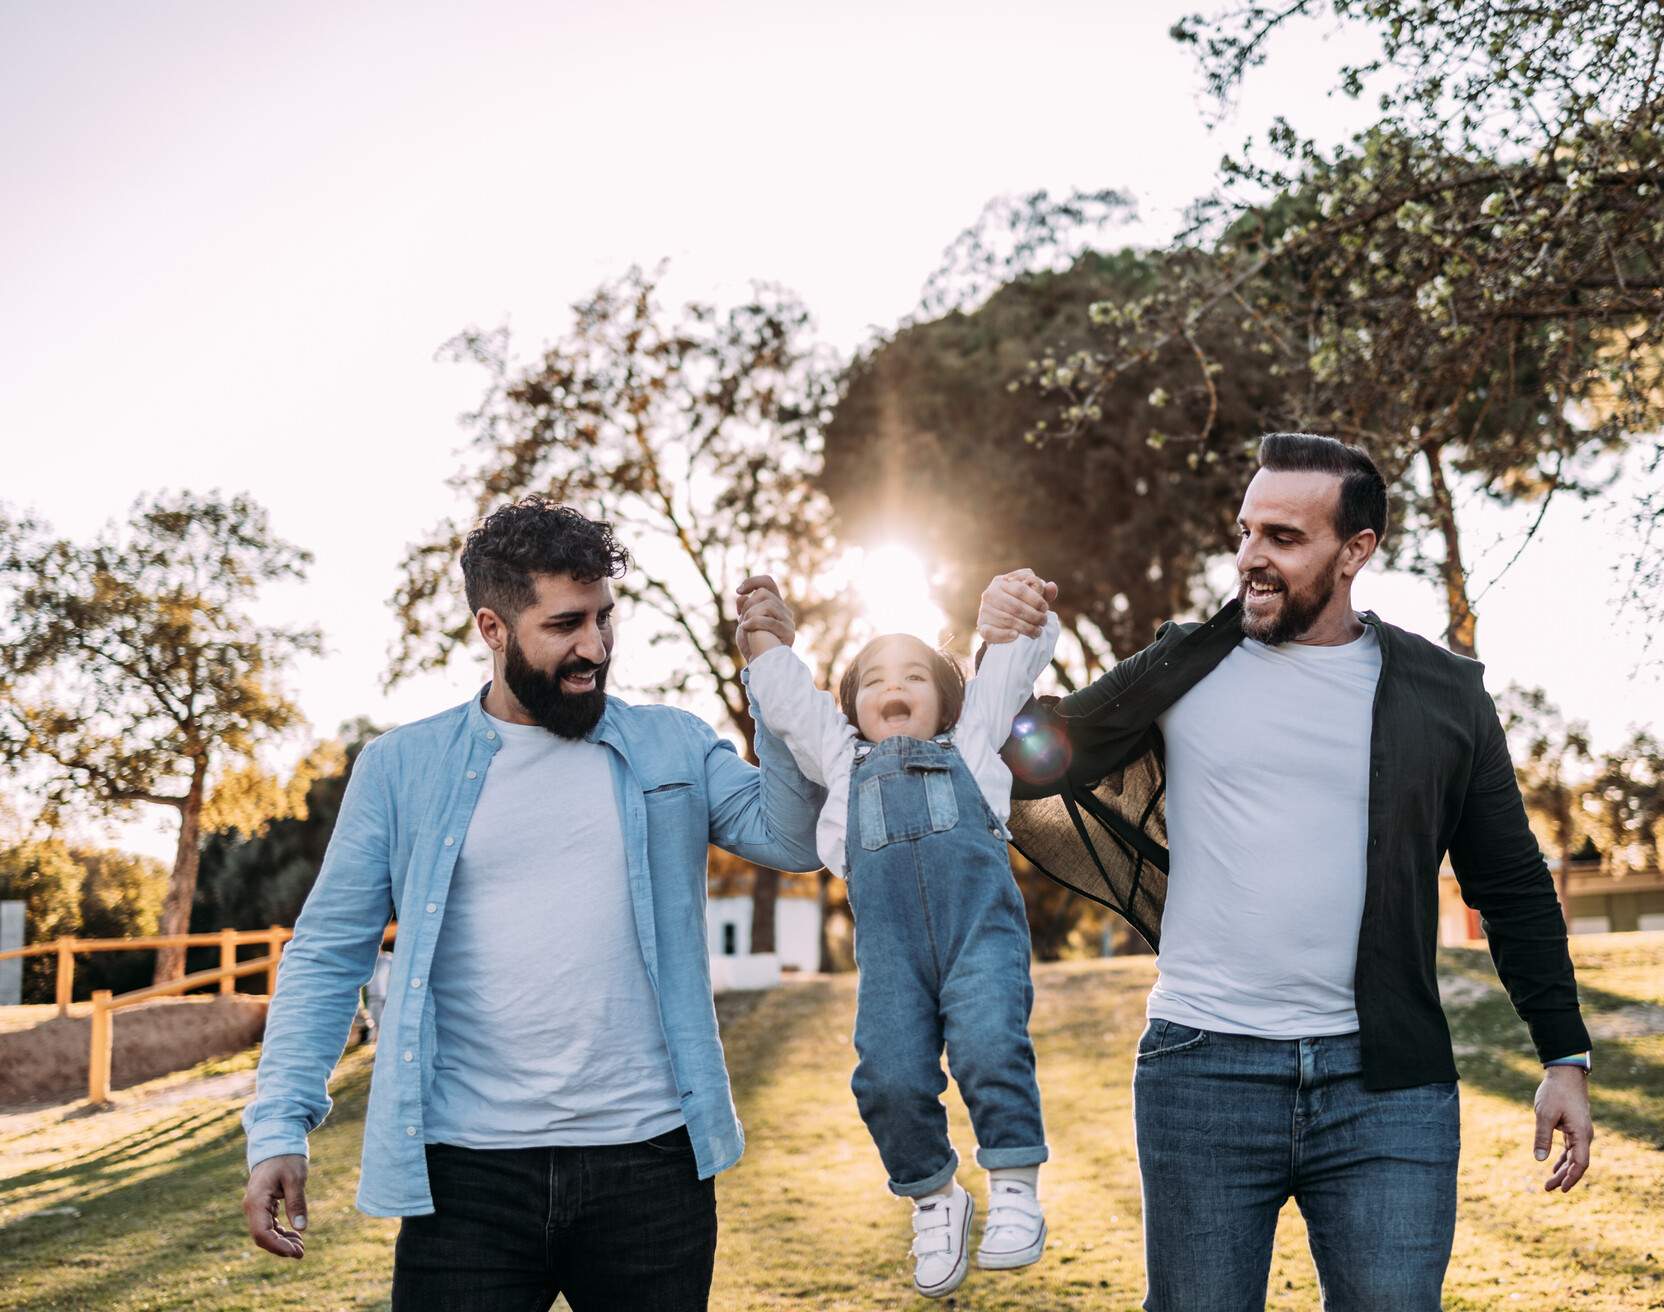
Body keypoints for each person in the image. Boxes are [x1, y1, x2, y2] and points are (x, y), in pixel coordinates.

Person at [977, 432, 1596, 1312]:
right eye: (1244, 532)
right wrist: (999, 649)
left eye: (1281, 537)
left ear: (1356, 552)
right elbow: (1028, 759)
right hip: (1203, 1073)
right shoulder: (1184, 662)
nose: (1250, 559)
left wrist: (1562, 1055)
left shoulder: (1445, 694)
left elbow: (1511, 884)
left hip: (1388, 1090)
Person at [239, 497, 825, 1311]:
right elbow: (329, 952)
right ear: (493, 628)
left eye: (605, 619)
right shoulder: (400, 769)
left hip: (650, 1167)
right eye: (565, 625)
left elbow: (796, 838)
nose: (595, 647)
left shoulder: (673, 743)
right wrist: (279, 1126)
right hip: (467, 1179)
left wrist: (775, 682)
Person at [743, 590, 1058, 1298]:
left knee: (989, 1046)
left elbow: (1013, 664)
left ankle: (1013, 1187)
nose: (894, 686)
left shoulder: (972, 742)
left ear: (947, 702)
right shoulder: (839, 760)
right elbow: (790, 698)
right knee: (885, 1077)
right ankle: (936, 1198)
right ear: (851, 707)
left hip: (980, 937)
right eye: (876, 678)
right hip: (892, 962)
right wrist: (762, 637)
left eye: (915, 676)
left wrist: (1021, 612)